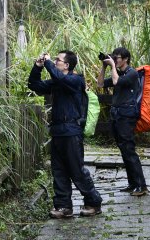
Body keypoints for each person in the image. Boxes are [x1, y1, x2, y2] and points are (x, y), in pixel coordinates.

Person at [28, 50, 102, 218]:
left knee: (76, 170)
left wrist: (47, 63)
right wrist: (38, 67)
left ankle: (93, 202)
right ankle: (63, 207)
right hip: (58, 132)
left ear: (67, 65)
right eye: (54, 59)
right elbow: (34, 85)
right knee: (59, 170)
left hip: (71, 132)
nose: (54, 62)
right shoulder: (57, 82)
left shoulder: (75, 80)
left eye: (57, 60)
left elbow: (61, 79)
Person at [97, 47, 149, 196]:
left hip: (127, 115)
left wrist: (112, 66)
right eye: (113, 57)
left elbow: (116, 81)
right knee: (123, 150)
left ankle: (142, 186)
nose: (115, 60)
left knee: (129, 150)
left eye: (117, 58)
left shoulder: (132, 73)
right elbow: (100, 84)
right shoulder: (118, 72)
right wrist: (104, 66)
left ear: (125, 59)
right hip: (117, 115)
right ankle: (132, 184)